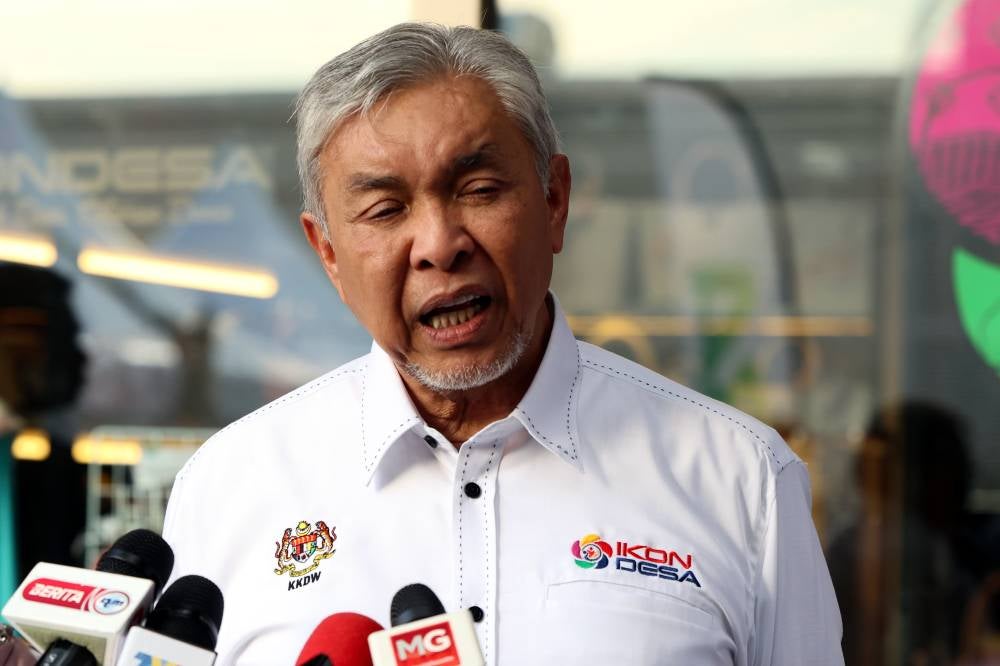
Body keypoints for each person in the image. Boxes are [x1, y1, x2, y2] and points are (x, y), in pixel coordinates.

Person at [162, 23, 843, 665]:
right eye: (385, 210)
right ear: (329, 254)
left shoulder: (742, 481)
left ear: (554, 202)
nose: (438, 245)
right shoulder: (229, 488)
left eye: (479, 189)